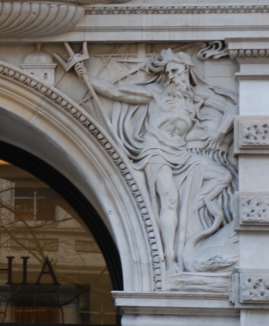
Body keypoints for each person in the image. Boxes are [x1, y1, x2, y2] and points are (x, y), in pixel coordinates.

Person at [79, 49, 237, 273]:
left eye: (176, 71)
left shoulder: (197, 95)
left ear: (187, 70)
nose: (173, 76)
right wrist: (84, 76)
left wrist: (220, 132)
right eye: (169, 72)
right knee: (170, 198)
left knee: (223, 175)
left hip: (181, 154)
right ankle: (169, 258)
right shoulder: (156, 93)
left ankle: (196, 208)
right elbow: (114, 91)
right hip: (156, 152)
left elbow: (232, 108)